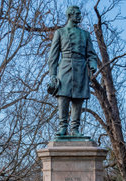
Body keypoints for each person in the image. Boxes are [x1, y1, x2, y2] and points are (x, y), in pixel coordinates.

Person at [47, 6, 98, 136]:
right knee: (63, 96)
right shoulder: (60, 32)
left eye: (80, 14)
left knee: (78, 98)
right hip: (64, 67)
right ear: (70, 15)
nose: (80, 17)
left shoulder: (85, 34)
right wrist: (53, 74)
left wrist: (93, 63)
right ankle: (63, 126)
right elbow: (53, 56)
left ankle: (75, 128)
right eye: (77, 14)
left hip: (80, 68)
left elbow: (91, 54)